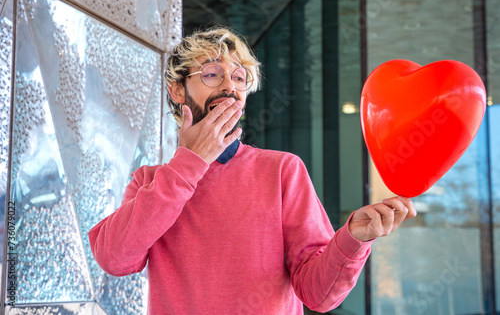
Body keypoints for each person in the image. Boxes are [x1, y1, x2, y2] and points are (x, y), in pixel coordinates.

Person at [88, 27, 416, 314]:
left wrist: (352, 240)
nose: (229, 86)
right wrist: (190, 163)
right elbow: (115, 258)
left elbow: (317, 295)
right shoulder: (150, 181)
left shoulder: (282, 171)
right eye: (212, 74)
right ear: (178, 90)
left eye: (239, 76)